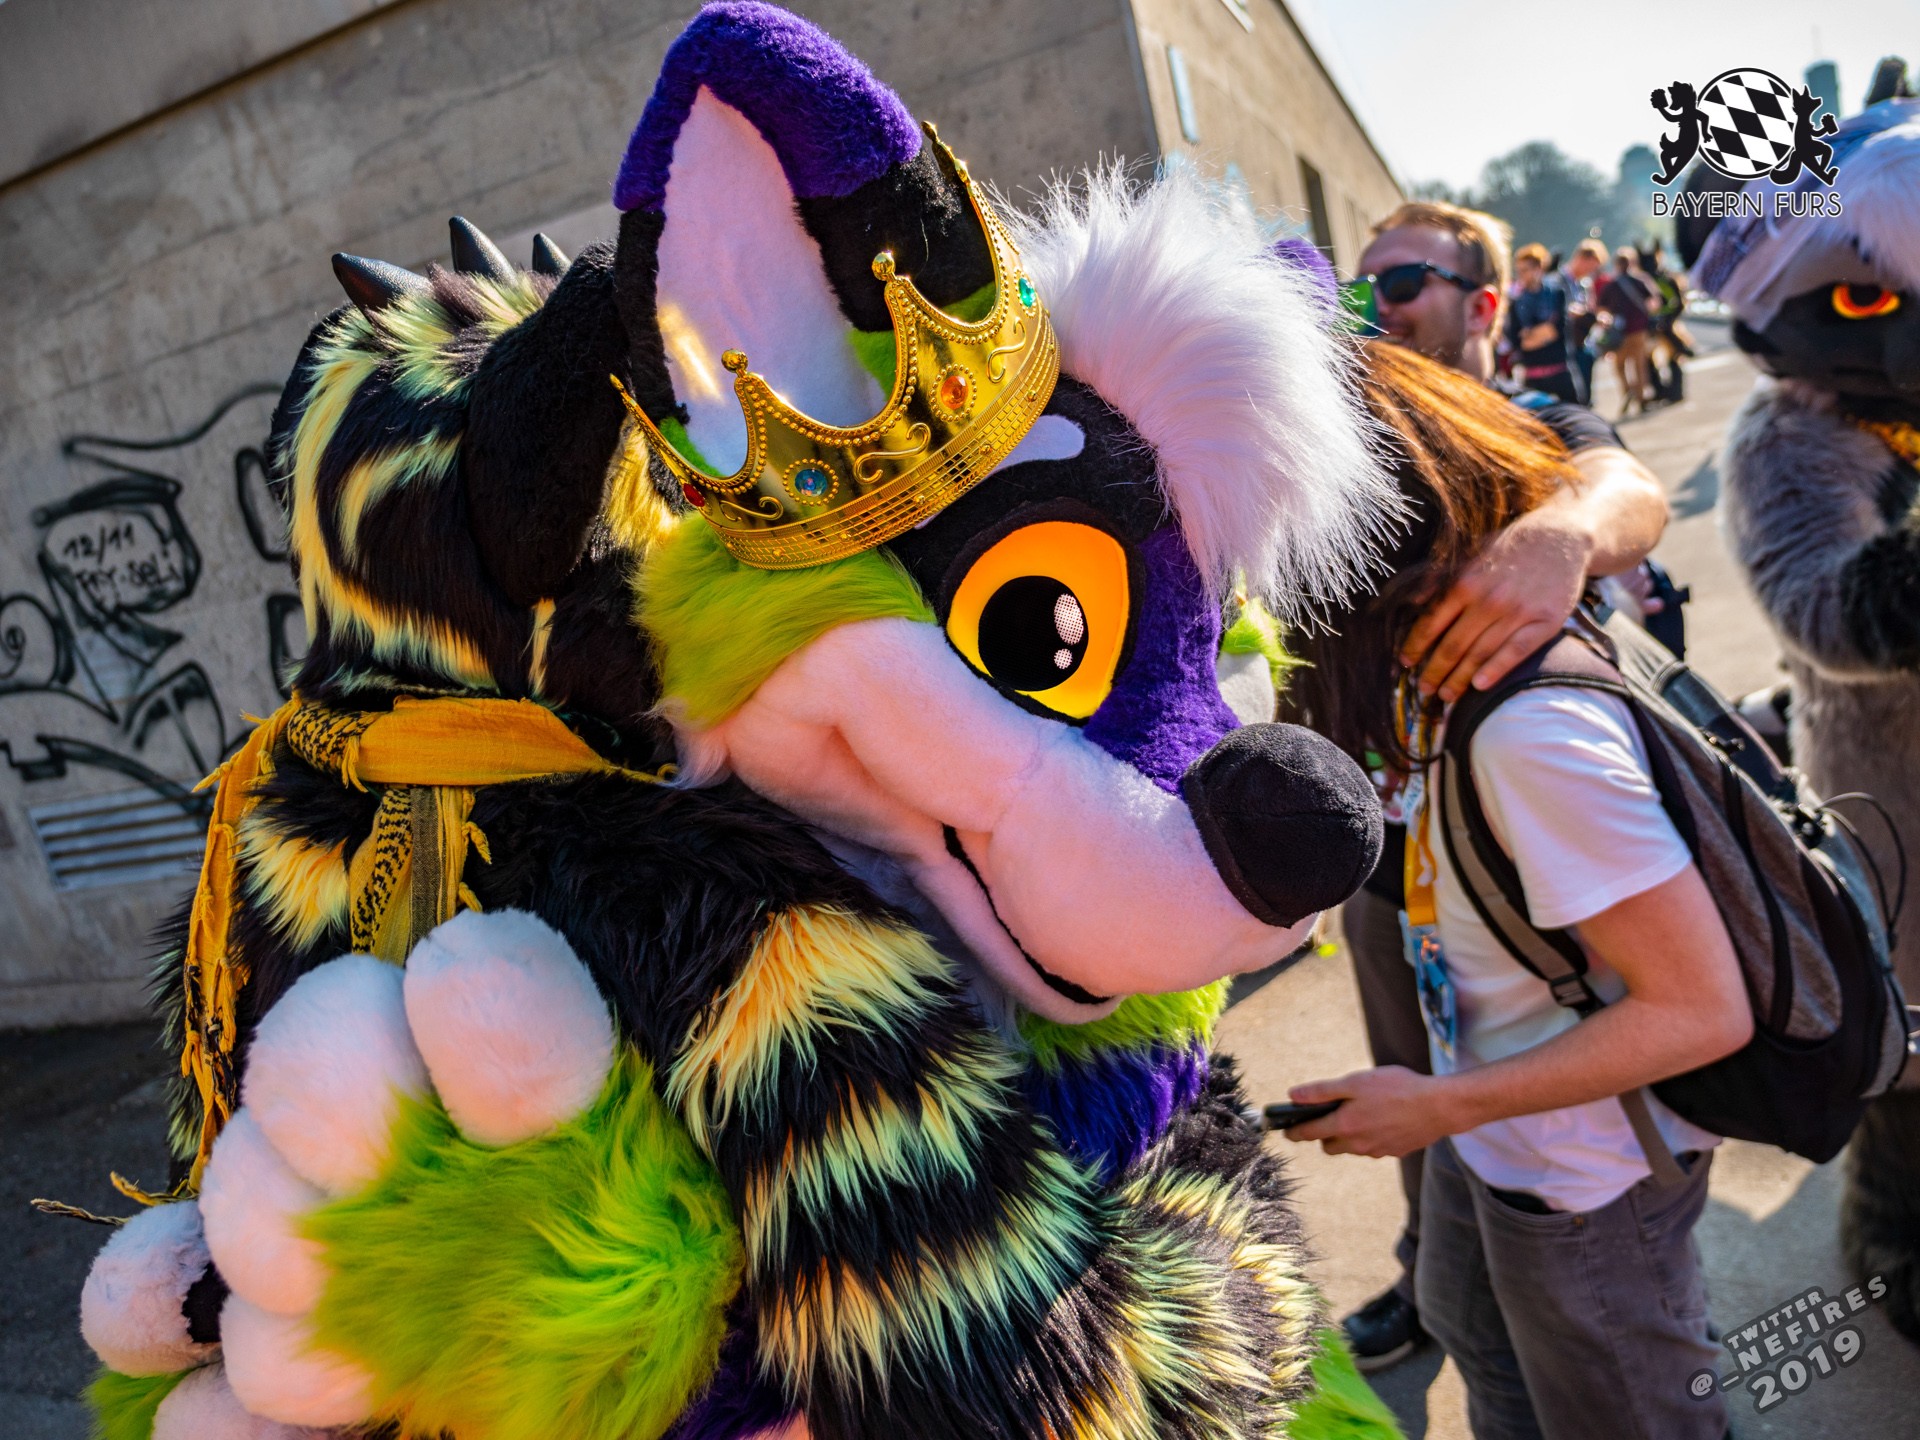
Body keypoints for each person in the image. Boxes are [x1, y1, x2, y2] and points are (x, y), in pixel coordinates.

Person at [1283, 342, 1749, 1440]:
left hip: (1586, 1178)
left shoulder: (1528, 732)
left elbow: (1700, 1009)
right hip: (1509, 1122)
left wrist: (1437, 1108)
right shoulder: (1456, 671)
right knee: (1478, 1334)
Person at [1336, 200, 1669, 1371]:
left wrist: (1563, 532)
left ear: (1483, 303)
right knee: (1410, 1093)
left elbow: (1632, 493)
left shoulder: (1536, 428)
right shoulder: (1351, 440)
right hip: (1388, 862)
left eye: (1404, 282)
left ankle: (1620, 1330)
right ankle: (1434, 1278)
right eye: (1363, 284)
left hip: (1525, 865)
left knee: (1566, 1134)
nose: (1378, 305)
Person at [1503, 242, 1576, 402]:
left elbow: (1558, 330)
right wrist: (1543, 333)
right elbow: (1518, 342)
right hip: (1533, 378)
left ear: (1539, 268)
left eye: (1525, 270)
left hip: (1560, 373)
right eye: (1518, 271)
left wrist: (1531, 335)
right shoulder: (1517, 302)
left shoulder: (1556, 294)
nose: (1521, 275)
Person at [1596, 246, 1655, 416]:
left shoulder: (1610, 285)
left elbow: (1601, 308)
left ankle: (1627, 390)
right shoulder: (1640, 280)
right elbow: (1653, 301)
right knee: (1639, 365)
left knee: (1620, 366)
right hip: (1638, 330)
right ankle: (1641, 396)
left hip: (1619, 332)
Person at [1561, 238, 1607, 403]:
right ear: (1580, 258)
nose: (1591, 272)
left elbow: (1590, 307)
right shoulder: (1558, 280)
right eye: (1590, 267)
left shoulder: (1585, 284)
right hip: (1566, 343)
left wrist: (1597, 316)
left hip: (1583, 341)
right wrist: (1573, 311)